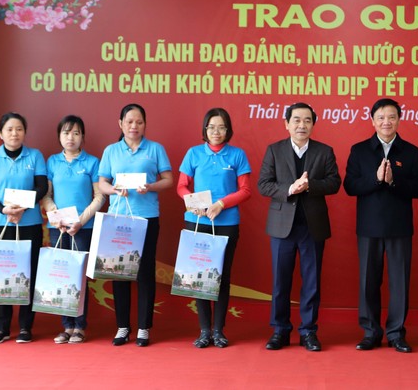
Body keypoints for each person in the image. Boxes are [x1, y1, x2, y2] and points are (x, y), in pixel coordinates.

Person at [343, 98, 418, 353]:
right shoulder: (359, 150)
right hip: (369, 227)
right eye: (381, 117)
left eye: (391, 117)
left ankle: (396, 333)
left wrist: (393, 181)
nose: (386, 122)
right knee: (368, 281)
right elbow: (350, 186)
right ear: (372, 121)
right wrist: (376, 179)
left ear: (399, 120)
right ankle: (370, 332)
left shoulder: (411, 151)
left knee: (399, 282)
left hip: (399, 227)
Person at [257, 102, 341, 351]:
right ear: (286, 124)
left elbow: (335, 183)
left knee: (312, 281)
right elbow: (264, 184)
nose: (301, 125)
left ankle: (308, 331)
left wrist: (310, 185)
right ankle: (280, 330)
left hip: (312, 227)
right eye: (296, 120)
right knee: (280, 281)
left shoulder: (324, 151)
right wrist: (290, 189)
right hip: (282, 226)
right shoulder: (274, 150)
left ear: (313, 124)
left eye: (307, 120)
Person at [98, 104, 173, 347]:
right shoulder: (111, 151)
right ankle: (122, 327)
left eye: (139, 122)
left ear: (145, 124)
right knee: (119, 272)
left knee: (145, 273)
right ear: (120, 123)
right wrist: (115, 190)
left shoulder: (155, 149)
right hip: (119, 218)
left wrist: (150, 187)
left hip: (147, 217)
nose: (134, 126)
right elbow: (102, 183)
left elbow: (169, 180)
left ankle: (143, 327)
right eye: (129, 121)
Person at [177, 108, 251, 349]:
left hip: (227, 224)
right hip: (197, 222)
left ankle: (219, 330)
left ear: (228, 130)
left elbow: (245, 190)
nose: (216, 132)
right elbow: (181, 186)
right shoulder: (194, 153)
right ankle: (204, 331)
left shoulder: (237, 155)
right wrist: (193, 202)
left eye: (221, 127)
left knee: (222, 277)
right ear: (205, 130)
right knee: (200, 277)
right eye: (211, 127)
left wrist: (221, 204)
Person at [0, 112, 48, 344]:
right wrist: (4, 209)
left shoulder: (35, 156)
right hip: (1, 223)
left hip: (30, 222)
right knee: (2, 274)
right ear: (0, 134)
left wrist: (22, 208)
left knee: (30, 272)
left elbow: (41, 188)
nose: (14, 133)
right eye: (9, 129)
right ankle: (2, 327)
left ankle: (26, 327)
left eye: (19, 129)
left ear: (24, 132)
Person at [41, 115, 105, 344]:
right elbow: (46, 195)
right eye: (66, 133)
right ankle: (66, 326)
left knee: (78, 276)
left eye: (76, 133)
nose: (71, 137)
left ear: (83, 137)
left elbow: (99, 196)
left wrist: (82, 220)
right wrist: (55, 216)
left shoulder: (92, 162)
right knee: (61, 275)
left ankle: (79, 326)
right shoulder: (51, 162)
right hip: (58, 227)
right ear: (59, 136)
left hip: (83, 227)